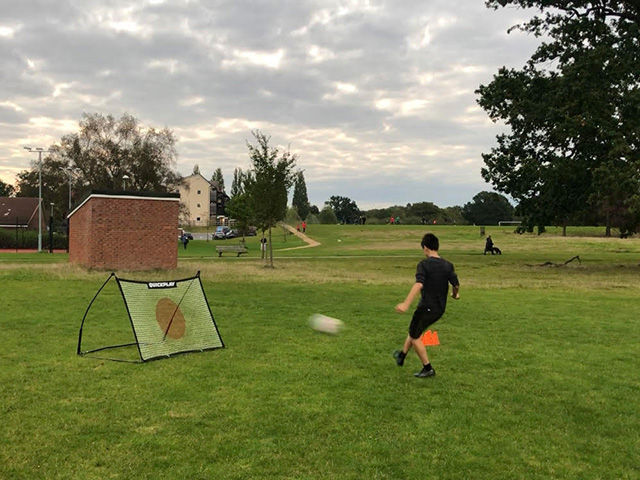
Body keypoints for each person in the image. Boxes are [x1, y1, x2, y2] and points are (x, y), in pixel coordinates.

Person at [393, 233, 460, 378]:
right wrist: (455, 295)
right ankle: (402, 355)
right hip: (439, 308)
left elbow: (419, 284)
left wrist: (406, 304)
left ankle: (428, 368)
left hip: (427, 307)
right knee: (414, 330)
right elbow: (455, 284)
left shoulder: (424, 264)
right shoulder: (447, 265)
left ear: (425, 248)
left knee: (415, 336)